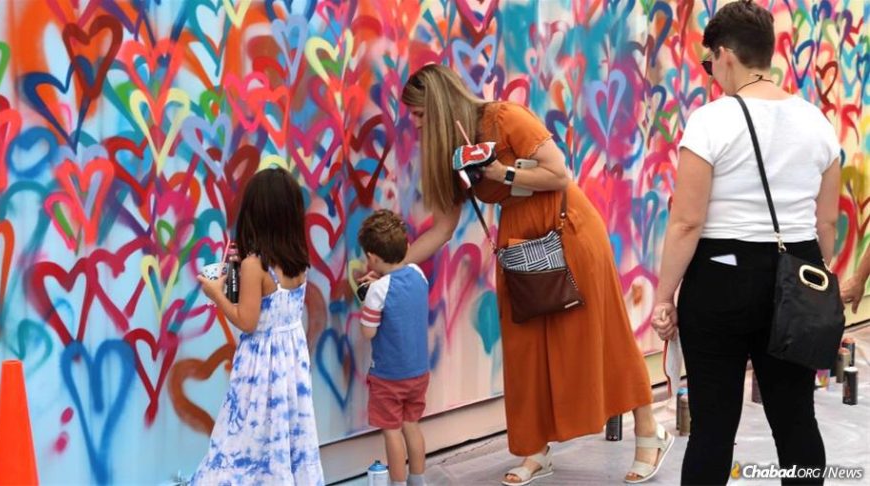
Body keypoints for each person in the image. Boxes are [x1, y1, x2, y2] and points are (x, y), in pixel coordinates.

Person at [394, 64, 671, 485]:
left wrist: (500, 173)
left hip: (568, 230)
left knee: (603, 334)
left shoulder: (503, 118)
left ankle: (649, 433)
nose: (414, 125)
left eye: (418, 114)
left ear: (438, 102)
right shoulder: (451, 153)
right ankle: (534, 451)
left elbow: (558, 172)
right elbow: (444, 229)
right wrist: (395, 267)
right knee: (525, 350)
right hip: (520, 245)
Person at [650, 1, 841, 484]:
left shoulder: (711, 121)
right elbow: (826, 225)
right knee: (796, 418)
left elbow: (687, 222)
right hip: (798, 269)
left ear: (726, 55)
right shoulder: (818, 123)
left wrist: (664, 295)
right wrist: (818, 280)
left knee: (713, 426)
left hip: (721, 275)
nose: (711, 72)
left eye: (709, 62)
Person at [192, 168, 324, 485]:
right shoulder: (297, 258)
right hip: (290, 369)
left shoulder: (255, 265)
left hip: (259, 372)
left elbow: (247, 322)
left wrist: (215, 294)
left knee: (240, 445)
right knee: (283, 443)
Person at [358, 209, 430, 486]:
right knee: (411, 425)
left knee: (391, 431)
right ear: (406, 246)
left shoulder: (377, 291)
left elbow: (368, 332)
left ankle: (397, 483)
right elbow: (400, 289)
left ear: (372, 258)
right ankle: (418, 479)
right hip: (418, 373)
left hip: (389, 376)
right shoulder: (417, 273)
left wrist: (368, 302)